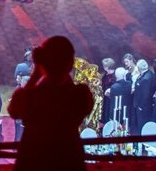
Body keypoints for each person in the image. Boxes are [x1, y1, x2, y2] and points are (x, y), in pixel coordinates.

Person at [8, 36, 94, 171]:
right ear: (70, 63)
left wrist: (37, 71)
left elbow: (14, 110)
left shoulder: (31, 96)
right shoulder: (80, 94)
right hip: (69, 160)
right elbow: (74, 97)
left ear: (43, 61)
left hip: (33, 161)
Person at [133, 59, 156, 133]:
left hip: (143, 106)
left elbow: (145, 95)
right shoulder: (149, 73)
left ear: (139, 68)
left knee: (142, 123)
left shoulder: (146, 78)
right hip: (145, 105)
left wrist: (140, 106)